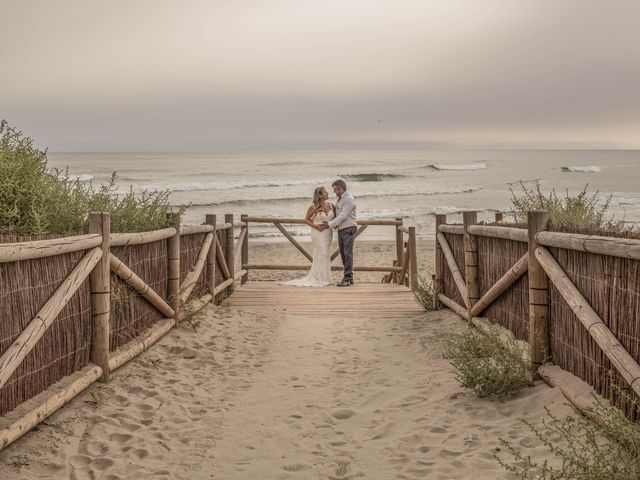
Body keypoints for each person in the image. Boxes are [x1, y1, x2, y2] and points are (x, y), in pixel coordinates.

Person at [282, 186, 336, 287]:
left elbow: (336, 219)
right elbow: (306, 219)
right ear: (320, 195)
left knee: (325, 254)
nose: (328, 193)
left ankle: (326, 278)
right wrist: (315, 226)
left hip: (328, 233)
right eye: (325, 192)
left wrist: (331, 224)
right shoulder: (313, 206)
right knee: (321, 253)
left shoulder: (332, 205)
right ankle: (319, 278)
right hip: (317, 233)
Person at [322, 179, 357, 287]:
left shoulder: (349, 199)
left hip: (349, 228)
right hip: (342, 229)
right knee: (343, 253)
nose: (334, 192)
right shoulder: (341, 199)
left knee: (347, 254)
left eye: (335, 190)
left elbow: (343, 216)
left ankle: (347, 278)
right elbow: (338, 214)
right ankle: (349, 278)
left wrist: (329, 224)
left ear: (341, 188)